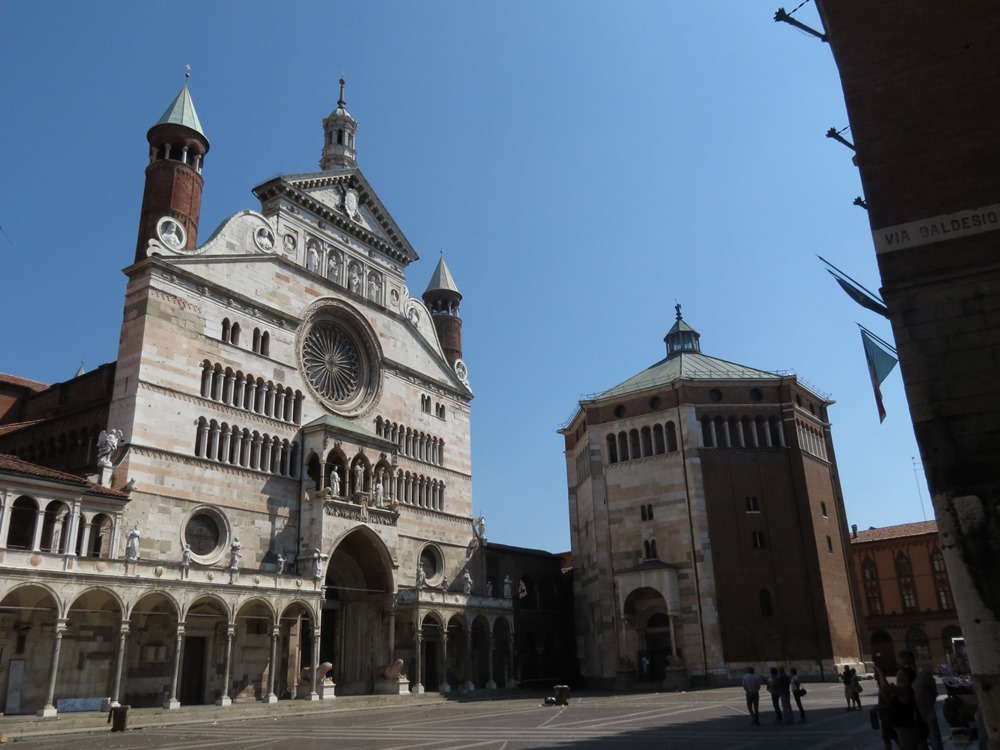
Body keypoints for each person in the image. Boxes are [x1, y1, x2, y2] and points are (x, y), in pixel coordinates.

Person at [899, 649, 943, 750]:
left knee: (936, 743)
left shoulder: (924, 673)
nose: (905, 663)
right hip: (913, 716)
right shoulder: (901, 675)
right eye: (903, 661)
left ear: (912, 659)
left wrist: (928, 703)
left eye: (907, 660)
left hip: (927, 713)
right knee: (920, 744)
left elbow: (933, 691)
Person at [876, 664, 926, 750]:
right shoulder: (900, 688)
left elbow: (886, 688)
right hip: (899, 727)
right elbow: (887, 697)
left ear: (906, 677)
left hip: (905, 728)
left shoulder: (905, 690)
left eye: (900, 672)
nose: (897, 673)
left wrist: (880, 673)